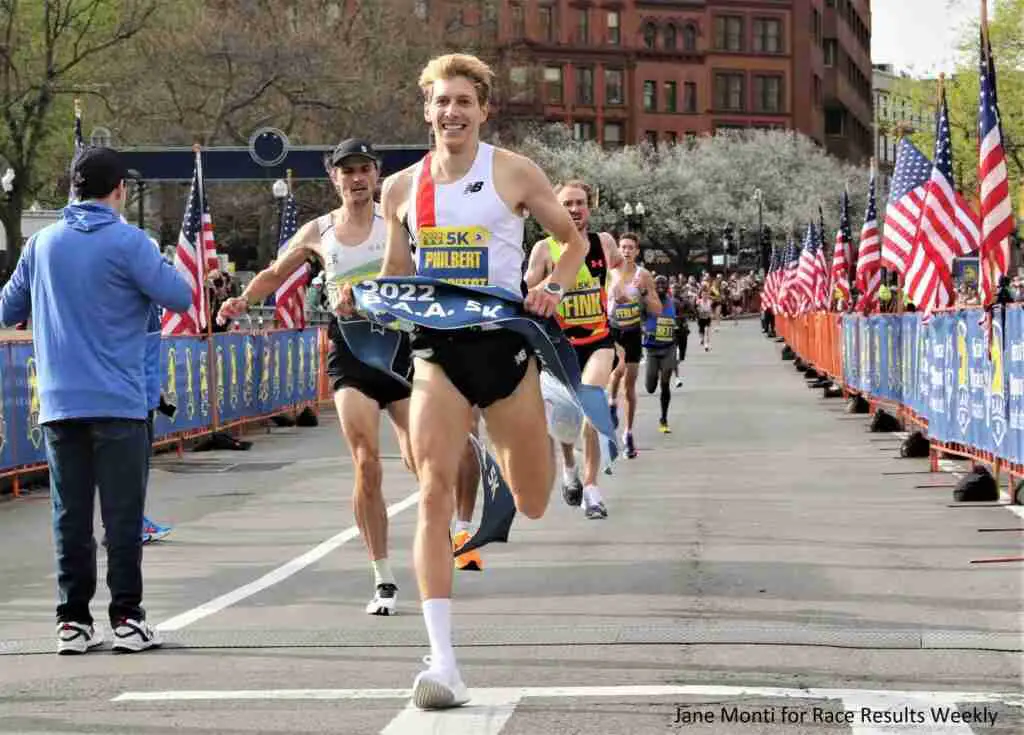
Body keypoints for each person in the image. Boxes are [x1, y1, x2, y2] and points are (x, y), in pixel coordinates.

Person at [336, 53, 588, 709]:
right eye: (441, 101)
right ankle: (443, 661)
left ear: (482, 111)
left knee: (532, 499)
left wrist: (552, 288)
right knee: (432, 490)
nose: (451, 112)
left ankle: (554, 414)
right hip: (437, 352)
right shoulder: (402, 188)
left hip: (502, 346)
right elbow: (397, 274)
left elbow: (573, 243)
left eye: (463, 102)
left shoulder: (511, 172)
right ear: (427, 109)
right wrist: (366, 299)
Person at [218, 138, 482, 617]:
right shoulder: (319, 231)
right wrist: (242, 300)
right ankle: (383, 577)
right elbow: (277, 274)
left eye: (364, 169)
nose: (357, 178)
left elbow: (430, 274)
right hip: (352, 356)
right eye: (348, 171)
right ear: (334, 178)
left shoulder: (397, 222)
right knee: (365, 461)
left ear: (376, 175)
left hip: (401, 352)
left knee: (424, 464)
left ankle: (438, 544)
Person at [0, 146, 191, 654]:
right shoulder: (131, 242)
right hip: (121, 401)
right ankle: (127, 618)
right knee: (123, 516)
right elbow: (180, 296)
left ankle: (72, 622)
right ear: (120, 191)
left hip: (61, 402)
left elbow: (7, 307)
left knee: (70, 515)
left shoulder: (40, 245)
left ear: (71, 188)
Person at [525, 180, 622, 519]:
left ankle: (592, 490)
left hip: (598, 340)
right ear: (555, 209)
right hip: (560, 345)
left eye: (580, 203)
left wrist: (619, 287)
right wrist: (546, 287)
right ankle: (569, 467)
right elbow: (525, 290)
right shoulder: (544, 249)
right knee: (566, 419)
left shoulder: (603, 243)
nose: (574, 210)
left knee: (592, 403)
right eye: (566, 204)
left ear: (589, 208)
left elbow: (620, 265)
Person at [604, 233, 660, 459]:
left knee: (630, 384)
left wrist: (644, 292)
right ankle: (610, 403)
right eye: (623, 247)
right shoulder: (608, 274)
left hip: (633, 331)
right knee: (617, 371)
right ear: (618, 250)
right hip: (612, 330)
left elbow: (656, 308)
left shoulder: (643, 275)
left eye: (630, 248)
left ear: (637, 251)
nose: (626, 251)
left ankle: (628, 433)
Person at [643, 276, 679, 433]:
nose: (661, 286)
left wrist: (680, 328)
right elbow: (638, 318)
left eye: (664, 283)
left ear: (668, 286)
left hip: (668, 347)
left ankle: (663, 418)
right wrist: (643, 328)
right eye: (658, 283)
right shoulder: (647, 302)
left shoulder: (674, 302)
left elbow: (683, 319)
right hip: (652, 348)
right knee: (651, 387)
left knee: (665, 382)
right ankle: (652, 378)